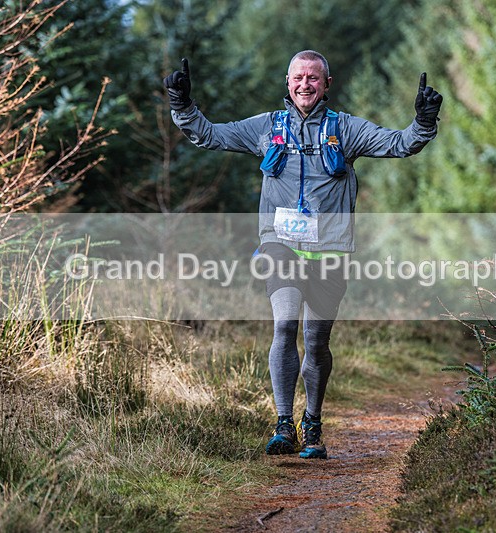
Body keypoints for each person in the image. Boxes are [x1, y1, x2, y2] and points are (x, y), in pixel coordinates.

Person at [165, 50, 442, 459]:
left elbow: (401, 144)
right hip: (280, 245)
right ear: (288, 82)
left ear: (326, 85)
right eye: (298, 77)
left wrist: (424, 120)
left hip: (331, 251)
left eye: (313, 78)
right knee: (284, 326)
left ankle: (311, 424)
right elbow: (209, 134)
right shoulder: (267, 127)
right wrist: (181, 105)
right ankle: (283, 423)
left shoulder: (345, 129)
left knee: (315, 342)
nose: (305, 85)